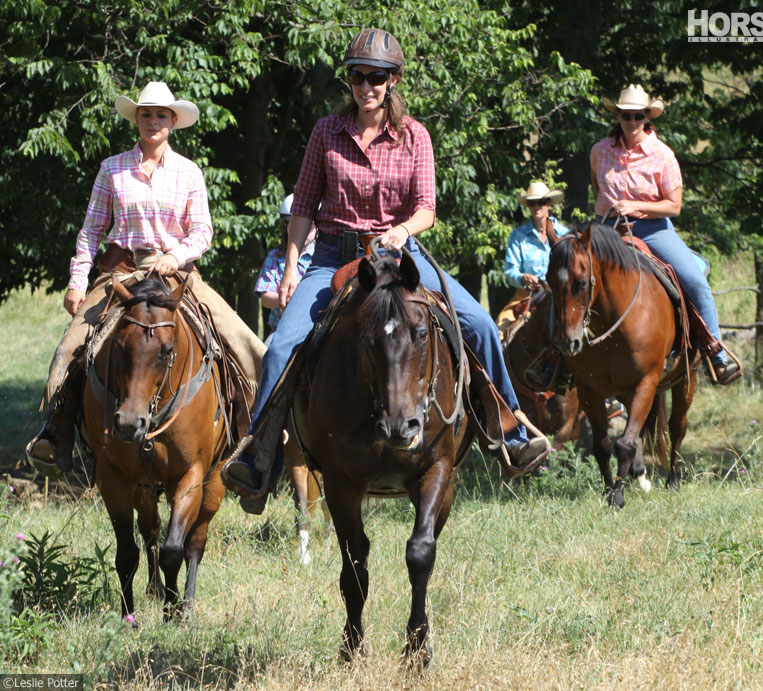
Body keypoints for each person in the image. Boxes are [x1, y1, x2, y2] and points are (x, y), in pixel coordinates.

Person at [224, 28, 549, 494]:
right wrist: (294, 264)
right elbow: (303, 207)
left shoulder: (415, 135)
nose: (366, 86)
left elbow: (426, 209)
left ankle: (510, 434)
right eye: (357, 76)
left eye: (376, 77)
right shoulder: (325, 132)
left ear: (393, 79)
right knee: (280, 347)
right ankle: (260, 455)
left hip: (402, 256)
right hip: (334, 255)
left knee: (477, 323)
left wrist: (401, 230)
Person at [26, 81, 266, 476]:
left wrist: (175, 256)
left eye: (160, 115)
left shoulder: (189, 172)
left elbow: (202, 231)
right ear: (136, 118)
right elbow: (90, 231)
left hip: (177, 275)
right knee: (71, 346)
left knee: (242, 343)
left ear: (173, 122)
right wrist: (77, 279)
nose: (153, 121)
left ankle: (251, 443)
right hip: (121, 274)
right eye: (145, 114)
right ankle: (55, 434)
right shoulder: (112, 169)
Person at [591, 84, 740, 385]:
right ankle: (557, 357)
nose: (631, 122)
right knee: (569, 273)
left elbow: (674, 206)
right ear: (617, 116)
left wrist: (633, 204)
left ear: (647, 117)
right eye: (625, 115)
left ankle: (716, 353)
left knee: (694, 279)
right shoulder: (599, 151)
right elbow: (598, 190)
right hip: (608, 227)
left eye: (637, 116)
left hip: (652, 228)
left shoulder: (662, 155)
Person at [497, 181, 569, 341]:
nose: (536, 206)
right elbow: (510, 271)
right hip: (526, 295)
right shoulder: (518, 235)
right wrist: (522, 278)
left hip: (558, 295)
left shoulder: (565, 235)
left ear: (549, 204)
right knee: (499, 331)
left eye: (541, 202)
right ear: (528, 206)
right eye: (532, 203)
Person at [254, 194, 316, 346]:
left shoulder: (322, 258)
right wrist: (289, 300)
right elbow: (266, 298)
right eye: (296, 225)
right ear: (286, 226)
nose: (305, 230)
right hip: (281, 328)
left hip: (316, 328)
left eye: (311, 226)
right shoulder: (274, 257)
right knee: (266, 356)